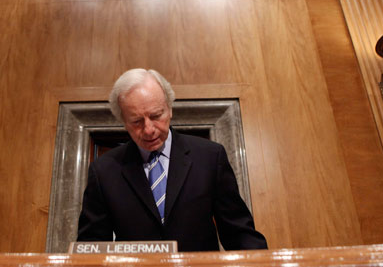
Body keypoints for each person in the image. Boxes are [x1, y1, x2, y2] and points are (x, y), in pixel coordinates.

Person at [77, 68, 267, 252]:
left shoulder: (209, 157)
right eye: (136, 121)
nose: (149, 129)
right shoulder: (104, 171)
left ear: (169, 109)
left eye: (156, 115)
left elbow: (240, 234)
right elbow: (90, 247)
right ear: (123, 121)